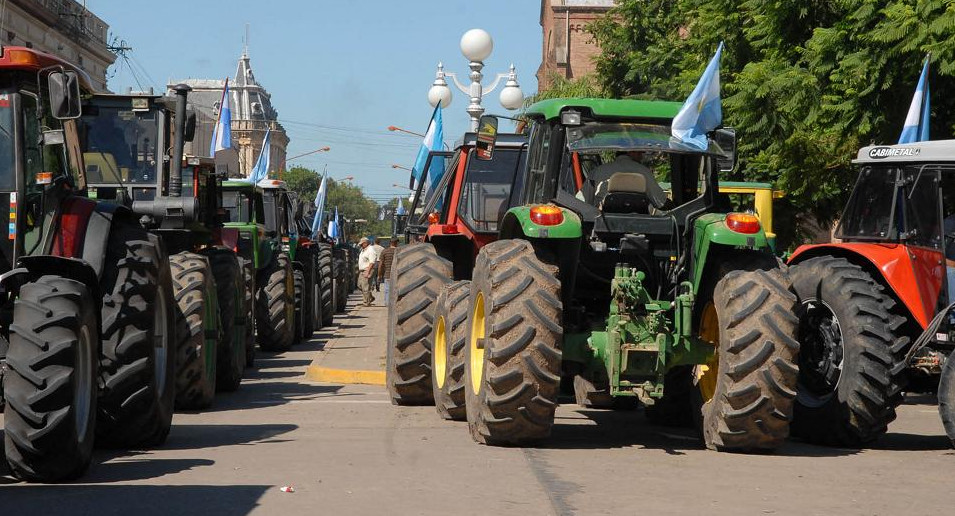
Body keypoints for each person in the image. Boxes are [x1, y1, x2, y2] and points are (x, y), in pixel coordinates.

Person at [584, 151, 668, 209]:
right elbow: (661, 202)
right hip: (639, 225)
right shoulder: (643, 171)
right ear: (631, 151)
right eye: (640, 153)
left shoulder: (597, 171)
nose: (641, 157)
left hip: (603, 225)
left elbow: (584, 202)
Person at [378, 238, 399, 305]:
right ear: (396, 243)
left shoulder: (384, 251)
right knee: (396, 290)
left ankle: (387, 303)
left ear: (390, 243)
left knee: (387, 290)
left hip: (388, 275)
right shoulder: (399, 251)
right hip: (398, 275)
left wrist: (379, 275)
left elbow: (380, 264)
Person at [357, 237, 377, 307]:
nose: (360, 245)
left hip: (367, 269)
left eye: (362, 244)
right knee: (359, 285)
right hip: (362, 270)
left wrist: (368, 271)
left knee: (365, 287)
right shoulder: (363, 250)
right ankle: (370, 297)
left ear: (366, 243)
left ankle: (366, 302)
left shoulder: (371, 250)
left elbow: (372, 262)